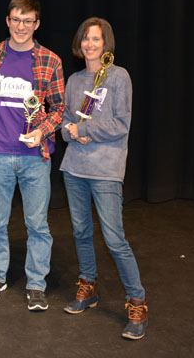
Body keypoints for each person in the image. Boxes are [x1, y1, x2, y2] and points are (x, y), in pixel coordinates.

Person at [60, 17, 148, 340]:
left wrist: (83, 130)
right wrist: (70, 132)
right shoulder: (74, 81)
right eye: (85, 39)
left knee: (114, 239)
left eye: (96, 39)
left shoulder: (118, 77)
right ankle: (88, 286)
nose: (90, 44)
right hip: (74, 169)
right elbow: (65, 122)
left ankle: (137, 301)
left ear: (105, 43)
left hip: (106, 171)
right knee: (81, 231)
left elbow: (121, 124)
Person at [0, 0, 64, 311]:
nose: (22, 27)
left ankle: (36, 284)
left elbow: (60, 108)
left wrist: (41, 130)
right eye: (16, 20)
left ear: (36, 24)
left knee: (37, 224)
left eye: (28, 21)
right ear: (8, 21)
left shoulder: (50, 60)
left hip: (34, 158)